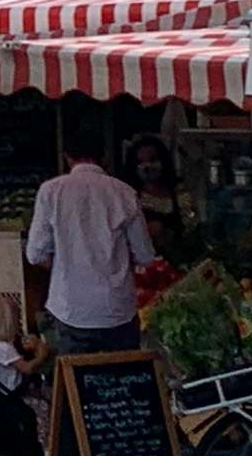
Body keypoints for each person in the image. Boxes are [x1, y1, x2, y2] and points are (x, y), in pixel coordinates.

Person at [23, 139, 156, 354]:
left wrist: (63, 265)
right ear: (105, 158)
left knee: (76, 373)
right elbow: (145, 255)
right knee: (122, 371)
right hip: (117, 309)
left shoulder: (50, 191)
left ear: (67, 157)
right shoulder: (125, 192)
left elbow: (35, 254)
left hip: (70, 308)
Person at [0, 293, 51, 451]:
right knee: (43, 408)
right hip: (11, 396)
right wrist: (41, 355)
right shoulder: (4, 348)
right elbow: (26, 368)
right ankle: (44, 447)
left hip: (1, 395)